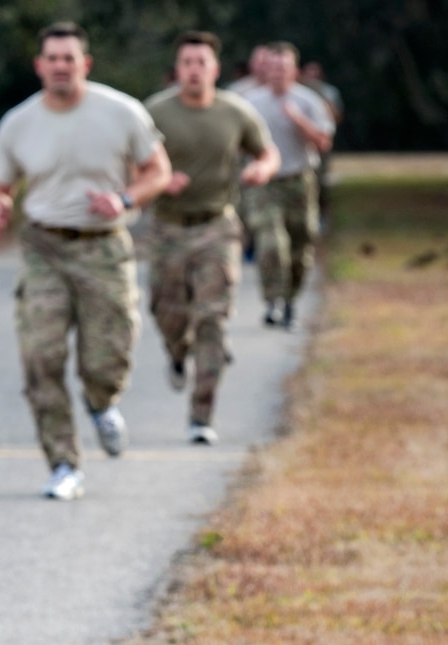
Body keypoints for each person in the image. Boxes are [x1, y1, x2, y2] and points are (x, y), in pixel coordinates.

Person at [0, 20, 170, 501]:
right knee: (41, 358)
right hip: (44, 248)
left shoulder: (121, 112)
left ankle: (102, 402)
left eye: (70, 59)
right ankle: (63, 464)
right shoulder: (19, 122)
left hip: (104, 244)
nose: (61, 67)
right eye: (53, 58)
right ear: (40, 65)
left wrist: (127, 200)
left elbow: (158, 170)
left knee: (109, 353)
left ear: (84, 64)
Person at [145, 31, 279, 445]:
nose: (194, 70)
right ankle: (177, 352)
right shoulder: (153, 113)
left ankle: (201, 415)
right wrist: (158, 181)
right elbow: (128, 164)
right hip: (167, 228)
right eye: (187, 62)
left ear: (215, 69)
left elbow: (266, 152)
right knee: (168, 314)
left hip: (217, 227)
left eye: (202, 62)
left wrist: (262, 170)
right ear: (177, 69)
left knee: (212, 320)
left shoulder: (235, 112)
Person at [238, 42, 334, 329]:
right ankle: (272, 302)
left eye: (284, 68)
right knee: (271, 244)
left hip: (299, 180)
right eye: (273, 67)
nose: (278, 73)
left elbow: (324, 142)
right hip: (265, 185)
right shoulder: (250, 102)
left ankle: (291, 298)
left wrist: (298, 120)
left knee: (300, 244)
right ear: (265, 70)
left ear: (295, 71)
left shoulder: (309, 102)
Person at [300, 60, 346, 224]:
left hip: (320, 140)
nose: (312, 76)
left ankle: (322, 215)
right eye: (309, 72)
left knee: (322, 180)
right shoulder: (298, 92)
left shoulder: (329, 92)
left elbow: (337, 116)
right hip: (302, 145)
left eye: (315, 72)